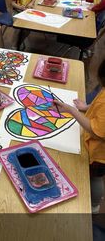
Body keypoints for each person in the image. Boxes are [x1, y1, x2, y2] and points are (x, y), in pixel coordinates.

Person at [53, 59, 105, 213]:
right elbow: (100, 99)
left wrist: (72, 111)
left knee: (95, 179)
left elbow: (96, 132)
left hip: (99, 155)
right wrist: (87, 107)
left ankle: (94, 205)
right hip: (93, 146)